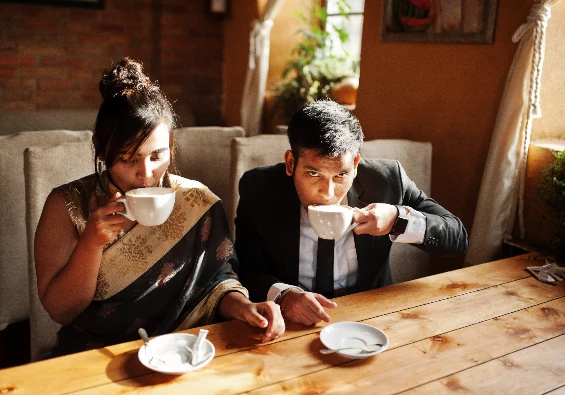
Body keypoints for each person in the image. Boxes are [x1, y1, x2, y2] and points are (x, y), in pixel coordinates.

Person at [34, 58, 284, 357]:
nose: (145, 173)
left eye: (157, 155)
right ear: (101, 148)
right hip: (94, 354)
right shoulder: (66, 204)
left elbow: (217, 285)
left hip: (184, 351)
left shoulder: (197, 201)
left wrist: (244, 307)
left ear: (172, 146)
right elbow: (61, 311)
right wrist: (91, 241)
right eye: (128, 159)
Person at [235, 100, 468, 326]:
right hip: (288, 322)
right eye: (314, 174)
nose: (328, 194)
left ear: (355, 164)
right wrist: (283, 296)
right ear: (290, 163)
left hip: (371, 317)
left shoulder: (386, 180)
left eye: (340, 176)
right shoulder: (259, 188)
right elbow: (245, 268)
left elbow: (457, 238)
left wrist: (398, 221)